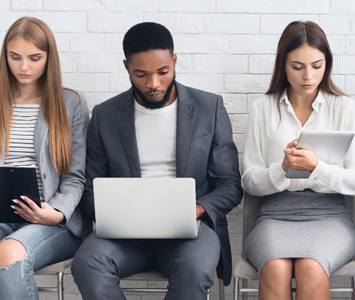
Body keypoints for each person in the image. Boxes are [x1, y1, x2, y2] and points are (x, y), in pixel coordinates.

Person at [70, 22, 242, 300]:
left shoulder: (209, 108)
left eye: (163, 72)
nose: (153, 84)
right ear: (127, 67)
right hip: (125, 237)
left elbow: (230, 184)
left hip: (189, 233)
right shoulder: (105, 116)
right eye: (141, 74)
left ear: (174, 61)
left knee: (195, 269)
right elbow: (89, 190)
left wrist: (196, 209)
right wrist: (116, 214)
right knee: (88, 263)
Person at [0, 17, 89, 300]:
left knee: (9, 254)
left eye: (35, 58)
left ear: (49, 58)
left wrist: (57, 213)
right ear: (5, 57)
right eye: (15, 57)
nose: (24, 67)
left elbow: (75, 177)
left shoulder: (70, 103)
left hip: (48, 219)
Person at [241, 21, 355, 300]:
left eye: (317, 65)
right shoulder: (262, 108)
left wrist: (317, 168)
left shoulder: (343, 107)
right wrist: (283, 168)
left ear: (328, 63)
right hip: (275, 214)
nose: (308, 76)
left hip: (330, 216)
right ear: (283, 66)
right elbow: (249, 181)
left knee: (311, 268)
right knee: (275, 268)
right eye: (297, 67)